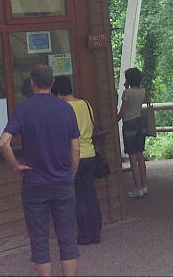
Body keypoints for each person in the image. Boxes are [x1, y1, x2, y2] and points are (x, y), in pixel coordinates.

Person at [0, 64, 80, 277]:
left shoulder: (24, 109)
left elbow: (4, 142)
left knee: (39, 239)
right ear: (52, 83)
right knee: (67, 237)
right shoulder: (66, 109)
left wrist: (15, 165)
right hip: (63, 180)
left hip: (35, 182)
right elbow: (75, 148)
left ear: (32, 83)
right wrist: (71, 172)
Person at [51, 75, 102, 245]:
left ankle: (84, 234)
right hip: (90, 154)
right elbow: (92, 126)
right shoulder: (86, 104)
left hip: (74, 155)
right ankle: (96, 233)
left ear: (58, 93)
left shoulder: (64, 108)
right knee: (90, 194)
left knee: (78, 196)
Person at [116, 67, 148, 198]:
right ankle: (144, 186)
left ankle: (137, 187)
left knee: (132, 157)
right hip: (140, 122)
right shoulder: (143, 91)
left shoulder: (127, 93)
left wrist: (113, 120)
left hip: (129, 124)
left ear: (129, 79)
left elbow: (122, 112)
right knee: (140, 156)